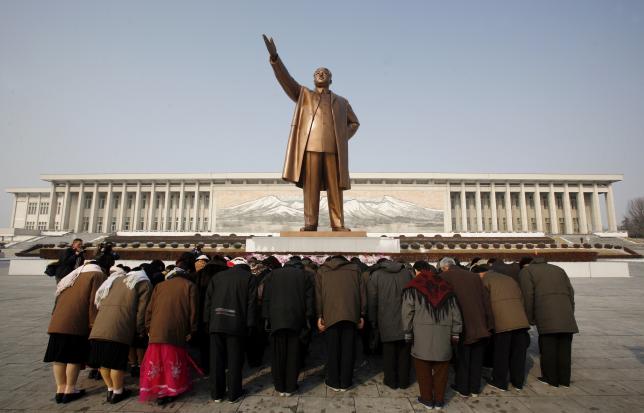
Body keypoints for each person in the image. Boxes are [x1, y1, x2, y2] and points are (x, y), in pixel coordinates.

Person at [263, 34, 360, 231]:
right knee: (311, 187)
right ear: (313, 78)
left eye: (325, 73)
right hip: (310, 146)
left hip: (334, 148)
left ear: (331, 79)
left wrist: (341, 137)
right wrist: (275, 58)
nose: (321, 74)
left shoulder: (342, 101)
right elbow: (286, 80)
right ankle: (310, 223)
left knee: (335, 188)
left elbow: (355, 123)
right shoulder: (304, 95)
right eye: (317, 72)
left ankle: (338, 224)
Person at [43, 252, 113, 404]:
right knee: (73, 357)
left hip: (57, 321)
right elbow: (96, 301)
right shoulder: (96, 275)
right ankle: (70, 389)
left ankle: (60, 389)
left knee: (59, 357)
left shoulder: (73, 275)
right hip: (76, 322)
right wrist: (94, 324)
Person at [139, 253, 199, 405]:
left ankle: (158, 389)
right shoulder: (190, 286)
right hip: (176, 329)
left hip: (157, 329)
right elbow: (193, 312)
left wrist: (148, 326)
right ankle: (171, 390)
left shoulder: (160, 286)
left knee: (157, 361)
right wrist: (192, 330)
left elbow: (149, 309)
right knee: (173, 361)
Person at [88, 265, 152, 404]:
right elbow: (142, 310)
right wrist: (140, 329)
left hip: (99, 327)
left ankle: (110, 388)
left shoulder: (115, 280)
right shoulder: (143, 283)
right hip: (119, 328)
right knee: (116, 363)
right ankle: (118, 392)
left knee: (104, 362)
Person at [402, 264, 462, 410]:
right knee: (442, 369)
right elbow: (456, 313)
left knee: (423, 368)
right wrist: (456, 332)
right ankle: (440, 400)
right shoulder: (446, 288)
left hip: (421, 335)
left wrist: (407, 331)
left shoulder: (413, 287)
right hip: (444, 334)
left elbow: (407, 312)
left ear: (418, 272)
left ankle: (427, 399)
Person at [519, 257, 578, 387]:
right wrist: (570, 312)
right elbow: (571, 293)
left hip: (546, 315)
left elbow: (528, 296)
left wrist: (529, 318)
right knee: (565, 349)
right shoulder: (559, 270)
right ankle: (564, 379)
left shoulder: (527, 271)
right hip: (566, 315)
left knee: (548, 348)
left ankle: (551, 378)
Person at [204, 257, 256, 403]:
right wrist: (250, 325)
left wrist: (207, 321)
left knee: (216, 360)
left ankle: (217, 394)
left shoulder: (218, 277)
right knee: (234, 360)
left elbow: (208, 301)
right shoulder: (249, 278)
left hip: (216, 323)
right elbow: (251, 305)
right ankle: (234, 393)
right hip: (236, 325)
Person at [439, 257, 493, 397]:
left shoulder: (443, 277)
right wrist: (489, 322)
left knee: (463, 357)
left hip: (461, 323)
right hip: (479, 322)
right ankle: (475, 388)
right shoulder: (474, 276)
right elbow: (485, 300)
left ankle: (463, 387)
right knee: (476, 357)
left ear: (445, 267)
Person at [472, 265, 530, 391]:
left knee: (501, 353)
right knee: (518, 353)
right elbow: (522, 299)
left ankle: (500, 381)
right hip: (520, 320)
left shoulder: (485, 281)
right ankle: (518, 382)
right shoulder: (509, 279)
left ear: (480, 274)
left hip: (502, 322)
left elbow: (485, 304)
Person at [262, 256, 314, 396]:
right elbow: (309, 299)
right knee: (293, 354)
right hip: (296, 320)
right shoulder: (305, 276)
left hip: (276, 319)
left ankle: (279, 386)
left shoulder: (272, 274)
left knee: (277, 354)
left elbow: (266, 297)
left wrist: (266, 318)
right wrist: (308, 318)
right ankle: (290, 387)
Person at [315, 255, 366, 391]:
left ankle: (333, 381)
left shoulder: (322, 270)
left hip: (330, 315)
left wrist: (320, 315)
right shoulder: (355, 269)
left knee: (333, 349)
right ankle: (345, 382)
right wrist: (361, 314)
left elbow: (318, 295)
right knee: (348, 349)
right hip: (351, 315)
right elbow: (362, 294)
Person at [367, 258, 413, 389]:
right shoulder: (406, 273)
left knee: (388, 352)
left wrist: (373, 319)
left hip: (385, 317)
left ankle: (391, 380)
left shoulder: (376, 275)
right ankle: (404, 381)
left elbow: (372, 300)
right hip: (406, 318)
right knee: (405, 352)